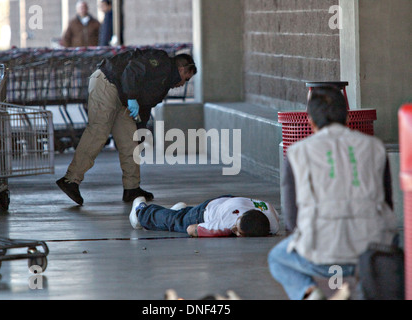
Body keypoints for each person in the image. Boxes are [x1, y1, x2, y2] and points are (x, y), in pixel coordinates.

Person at [268, 86, 398, 300]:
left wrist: (306, 240)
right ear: (347, 116)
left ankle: (308, 293)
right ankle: (362, 291)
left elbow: (292, 218)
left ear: (309, 120)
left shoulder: (297, 152)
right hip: (371, 251)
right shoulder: (375, 147)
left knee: (277, 258)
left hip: (319, 255)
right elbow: (388, 203)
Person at [56, 48, 197, 205]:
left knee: (131, 142)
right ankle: (70, 180)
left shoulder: (163, 85)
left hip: (123, 97)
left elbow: (145, 107)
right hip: (108, 83)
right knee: (98, 132)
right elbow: (132, 70)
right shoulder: (162, 63)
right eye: (186, 78)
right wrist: (131, 98)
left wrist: (140, 131)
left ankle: (132, 188)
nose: (184, 83)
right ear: (182, 69)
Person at [129, 195, 280, 237]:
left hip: (228, 200)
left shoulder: (272, 219)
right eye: (236, 227)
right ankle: (141, 212)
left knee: (181, 215)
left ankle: (181, 210)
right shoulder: (226, 224)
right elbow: (191, 229)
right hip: (204, 213)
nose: (234, 229)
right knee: (176, 223)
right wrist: (228, 232)